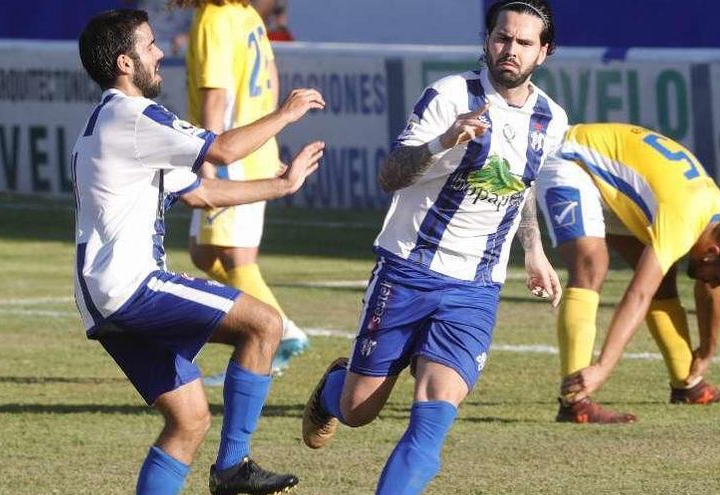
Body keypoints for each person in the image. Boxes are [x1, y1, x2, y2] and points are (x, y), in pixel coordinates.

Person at [301, 2, 566, 493]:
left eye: (524, 43)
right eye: (502, 38)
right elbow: (390, 176)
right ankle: (333, 388)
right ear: (487, 41)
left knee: (432, 417)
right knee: (358, 410)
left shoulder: (551, 120)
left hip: (476, 289)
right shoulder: (448, 96)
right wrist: (444, 140)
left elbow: (522, 186)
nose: (510, 50)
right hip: (408, 270)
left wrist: (534, 250)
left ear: (543, 53)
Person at [74, 10, 325, 494]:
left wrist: (282, 184)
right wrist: (286, 113)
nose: (161, 53)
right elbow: (224, 152)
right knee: (265, 325)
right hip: (132, 287)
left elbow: (201, 193)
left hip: (101, 298)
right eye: (150, 46)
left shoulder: (110, 122)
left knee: (188, 422)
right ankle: (233, 466)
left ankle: (227, 466)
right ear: (126, 62)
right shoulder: (135, 117)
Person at [535, 122, 720, 423]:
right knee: (591, 265)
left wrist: (708, 351)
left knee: (664, 279)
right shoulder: (685, 219)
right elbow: (638, 293)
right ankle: (574, 402)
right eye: (717, 276)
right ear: (713, 253)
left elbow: (708, 290)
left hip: (614, 187)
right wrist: (603, 368)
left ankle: (688, 386)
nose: (711, 282)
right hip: (570, 160)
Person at [170, 0, 309, 376]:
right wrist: (267, 143)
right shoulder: (248, 16)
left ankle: (278, 333)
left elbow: (215, 94)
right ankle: (277, 328)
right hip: (250, 150)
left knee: (235, 258)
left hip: (231, 155)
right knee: (204, 254)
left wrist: (210, 158)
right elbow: (272, 80)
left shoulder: (213, 18)